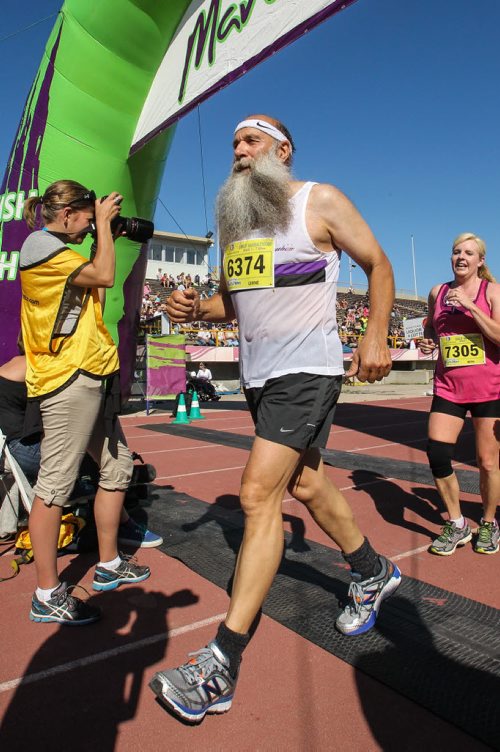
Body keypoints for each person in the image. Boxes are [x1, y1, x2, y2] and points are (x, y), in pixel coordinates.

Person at [150, 114, 400, 722]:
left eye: (251, 139)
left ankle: (221, 664)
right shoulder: (241, 229)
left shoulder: (320, 200)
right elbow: (231, 306)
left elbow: (380, 266)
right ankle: (372, 571)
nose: (239, 150)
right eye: (235, 141)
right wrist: (193, 307)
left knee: (259, 496)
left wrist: (373, 334)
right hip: (260, 376)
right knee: (308, 482)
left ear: (281, 150)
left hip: (306, 370)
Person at [19, 180, 150, 625]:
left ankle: (110, 564)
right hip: (67, 378)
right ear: (69, 213)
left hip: (93, 369)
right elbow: (105, 276)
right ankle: (46, 592)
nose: (90, 227)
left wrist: (102, 230)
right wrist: (106, 231)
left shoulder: (63, 249)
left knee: (115, 468)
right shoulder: (40, 244)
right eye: (86, 217)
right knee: (55, 483)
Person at [0, 351, 163, 548]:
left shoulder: (11, 366)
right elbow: (56, 413)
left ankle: (122, 491)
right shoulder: (35, 366)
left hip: (9, 447)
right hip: (23, 450)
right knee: (92, 466)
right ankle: (123, 523)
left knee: (87, 459)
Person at [419, 232, 500, 556]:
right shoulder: (438, 292)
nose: (461, 257)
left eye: (468, 252)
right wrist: (428, 341)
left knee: (487, 462)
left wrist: (470, 306)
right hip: (449, 387)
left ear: (480, 261)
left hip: (489, 388)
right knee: (437, 454)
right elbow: (429, 327)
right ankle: (458, 523)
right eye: (456, 252)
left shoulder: (491, 292)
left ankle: (490, 523)